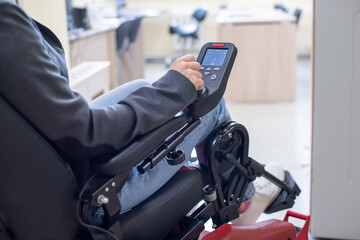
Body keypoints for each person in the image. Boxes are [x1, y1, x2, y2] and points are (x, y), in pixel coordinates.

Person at [0, 0, 284, 228]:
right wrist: (172, 91)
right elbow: (84, 133)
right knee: (210, 106)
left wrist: (161, 90)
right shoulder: (5, 22)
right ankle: (245, 200)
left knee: (141, 86)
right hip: (89, 195)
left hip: (46, 180)